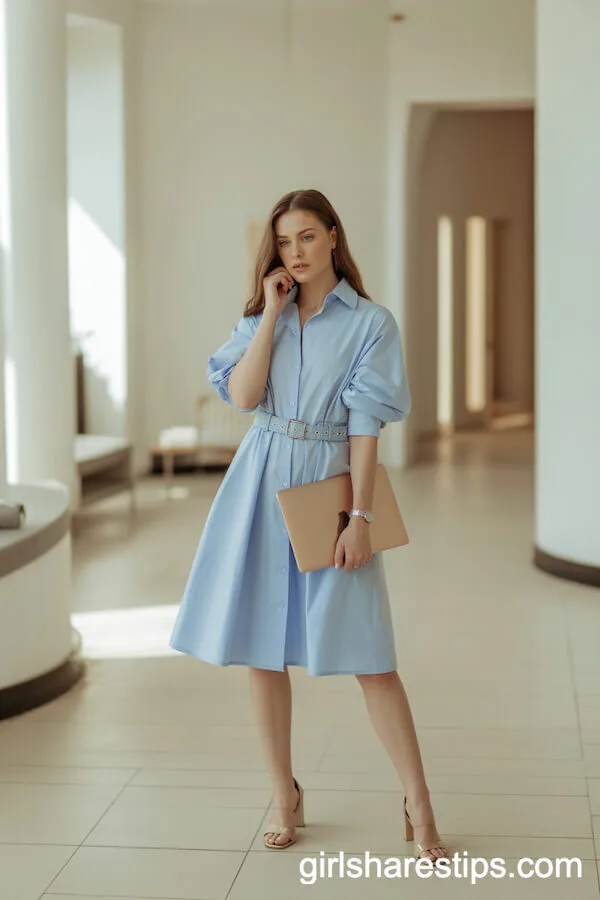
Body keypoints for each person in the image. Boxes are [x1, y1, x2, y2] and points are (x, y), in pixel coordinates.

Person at [169, 188, 449, 862]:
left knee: (372, 658)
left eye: (306, 238)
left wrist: (360, 518)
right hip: (261, 481)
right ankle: (283, 794)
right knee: (263, 653)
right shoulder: (262, 314)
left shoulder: (371, 323)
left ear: (332, 236)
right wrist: (271, 313)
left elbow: (365, 428)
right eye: (283, 242)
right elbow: (242, 396)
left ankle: (418, 800)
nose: (295, 253)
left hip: (328, 483)